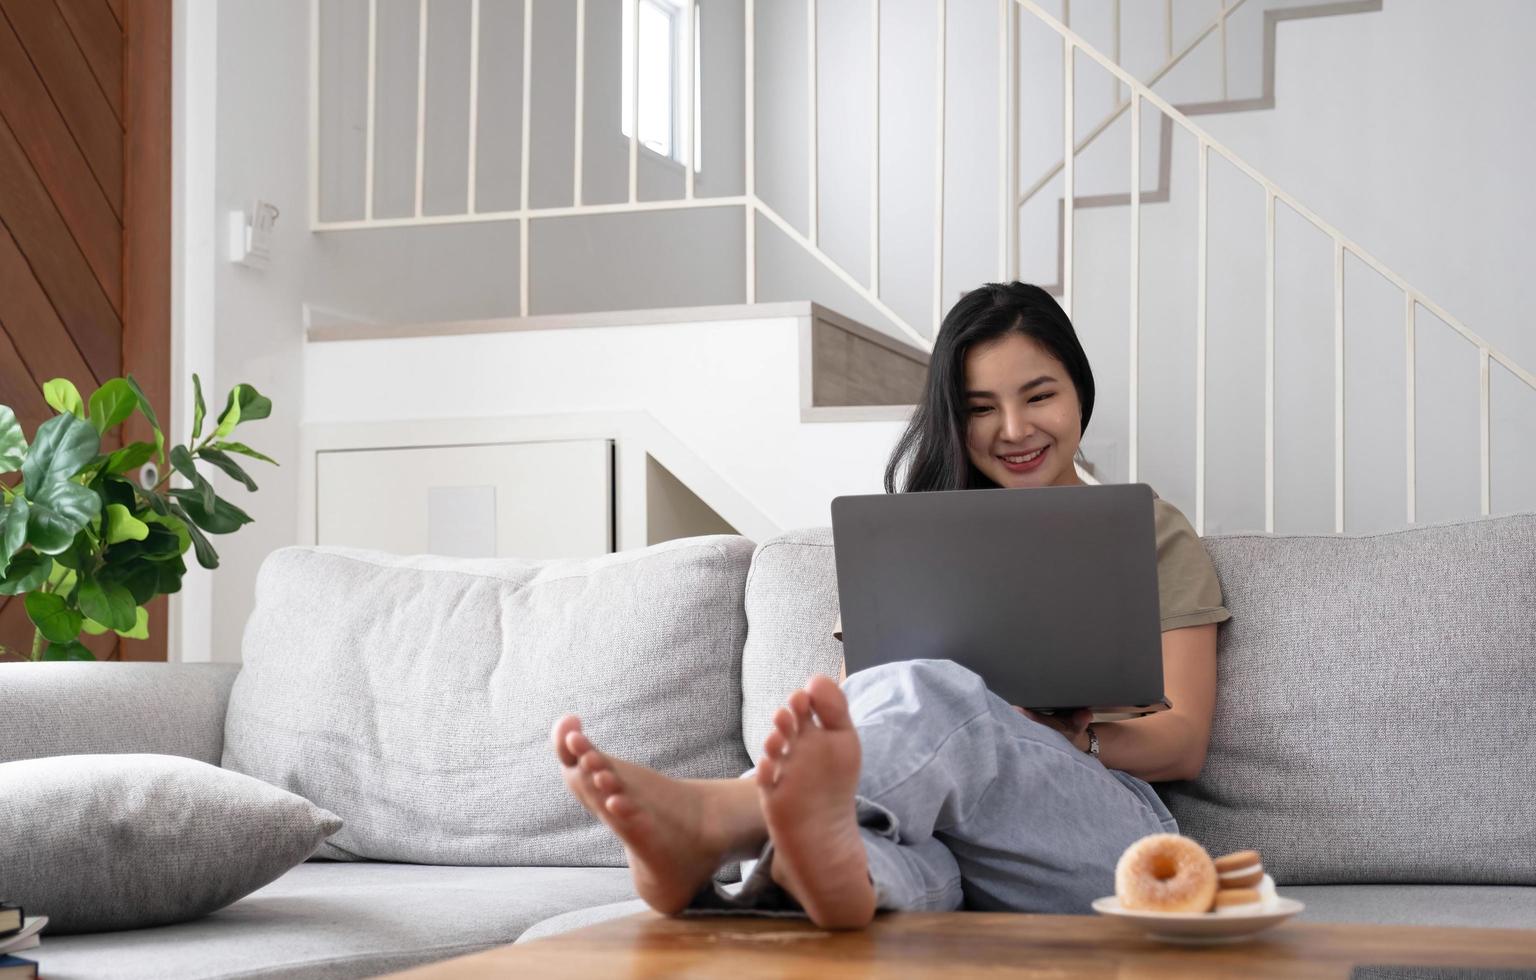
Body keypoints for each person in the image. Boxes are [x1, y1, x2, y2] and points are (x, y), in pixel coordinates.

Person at [552, 281, 1230, 929]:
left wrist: (1066, 734)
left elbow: (1184, 741)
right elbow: (868, 701)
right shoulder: (918, 541)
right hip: (946, 841)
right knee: (855, 847)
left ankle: (722, 817)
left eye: (1038, 396)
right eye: (981, 407)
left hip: (1100, 837)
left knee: (940, 691)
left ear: (1078, 390)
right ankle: (791, 882)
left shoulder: (1148, 529)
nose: (1015, 428)